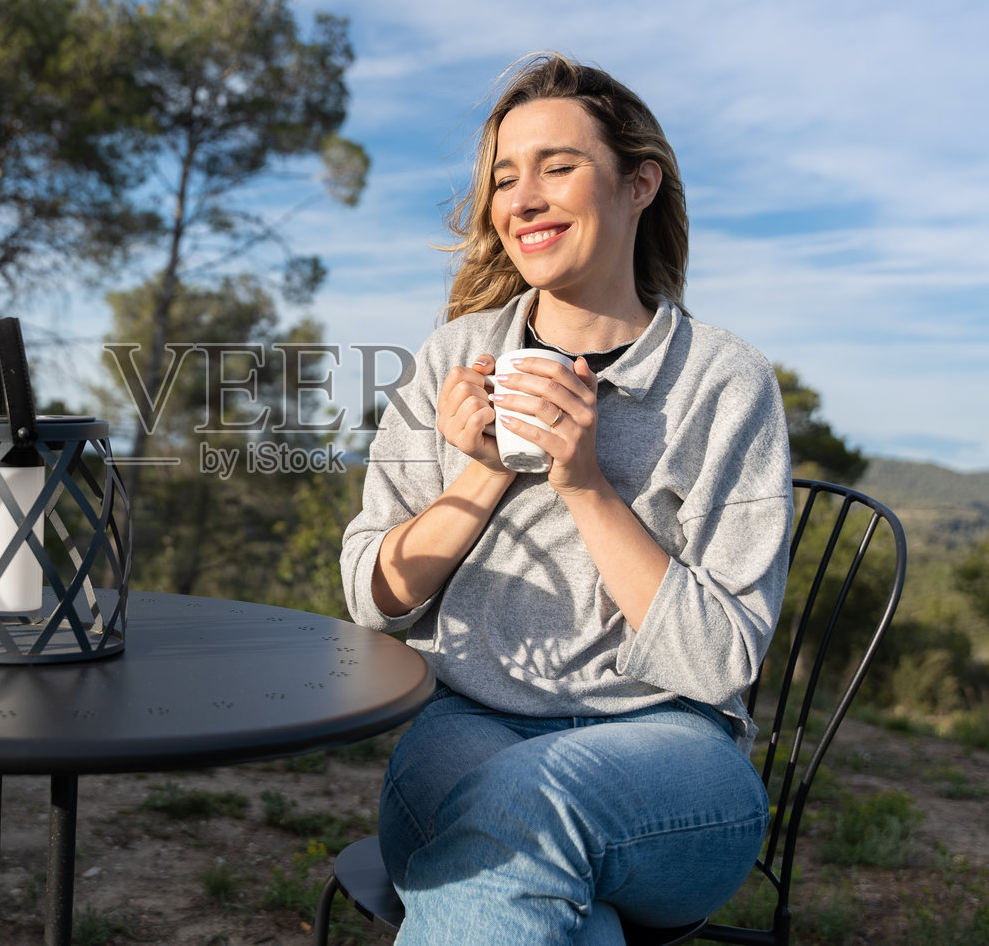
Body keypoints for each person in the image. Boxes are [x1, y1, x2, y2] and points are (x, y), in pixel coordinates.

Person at [340, 53, 793, 944]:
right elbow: (371, 597)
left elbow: (720, 663)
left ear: (640, 184)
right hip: (466, 726)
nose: (523, 197)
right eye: (505, 177)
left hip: (673, 754)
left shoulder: (724, 382)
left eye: (559, 165)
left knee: (522, 810)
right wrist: (487, 468)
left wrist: (583, 481)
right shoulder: (449, 361)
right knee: (567, 910)